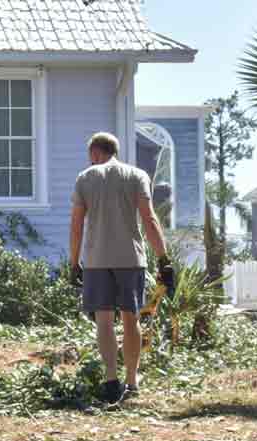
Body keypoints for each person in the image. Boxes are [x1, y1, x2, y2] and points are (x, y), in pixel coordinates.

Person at [69, 132, 175, 405]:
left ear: (95, 153)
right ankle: (131, 381)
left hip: (96, 260)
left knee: (104, 321)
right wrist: (163, 259)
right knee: (131, 320)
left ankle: (110, 380)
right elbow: (149, 220)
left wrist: (74, 262)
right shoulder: (137, 176)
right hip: (131, 259)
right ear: (114, 150)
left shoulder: (85, 178)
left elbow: (77, 225)